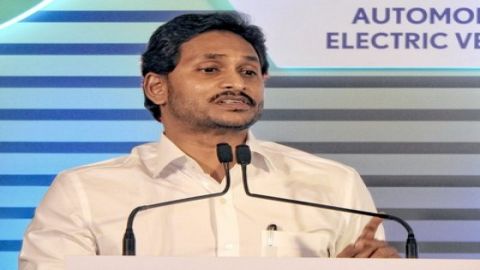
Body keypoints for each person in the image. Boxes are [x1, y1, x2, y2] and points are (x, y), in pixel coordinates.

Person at [19, 12, 399, 270]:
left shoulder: (331, 183)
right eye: (210, 69)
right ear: (156, 86)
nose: (236, 83)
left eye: (249, 71)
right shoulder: (85, 191)